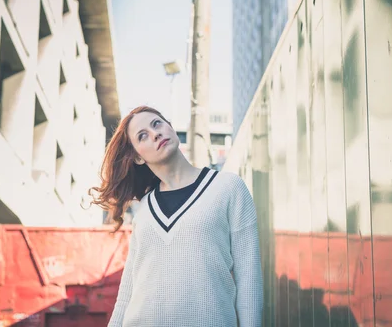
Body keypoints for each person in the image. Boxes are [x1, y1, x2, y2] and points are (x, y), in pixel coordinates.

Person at [89, 106, 263, 327]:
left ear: (170, 127)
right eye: (142, 136)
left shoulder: (228, 188)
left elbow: (248, 279)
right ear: (138, 158)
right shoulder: (143, 210)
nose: (155, 134)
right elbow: (128, 291)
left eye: (157, 123)